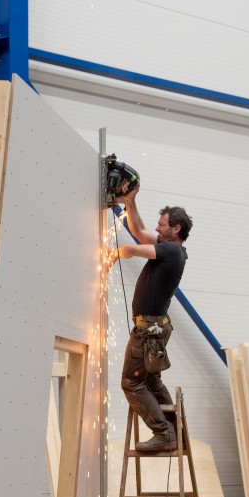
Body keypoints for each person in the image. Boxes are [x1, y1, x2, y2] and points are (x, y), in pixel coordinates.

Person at [107, 185, 193, 453]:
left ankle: (163, 433)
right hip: (153, 329)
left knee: (131, 382)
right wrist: (130, 203)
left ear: (175, 229)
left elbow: (132, 248)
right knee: (152, 381)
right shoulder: (169, 248)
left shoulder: (173, 251)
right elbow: (139, 231)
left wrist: (112, 255)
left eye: (162, 225)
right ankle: (174, 431)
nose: (157, 229)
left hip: (149, 332)